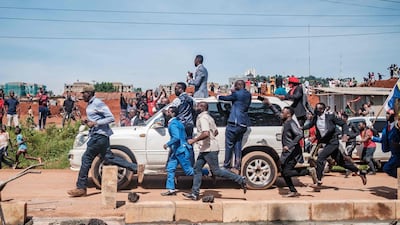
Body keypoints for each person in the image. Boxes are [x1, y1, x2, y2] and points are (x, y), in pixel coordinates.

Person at [67, 85, 140, 197]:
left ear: (89, 93)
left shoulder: (97, 103)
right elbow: (96, 119)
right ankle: (136, 168)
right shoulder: (91, 104)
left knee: (86, 158)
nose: (82, 96)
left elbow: (110, 118)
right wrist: (88, 121)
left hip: (99, 136)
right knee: (109, 157)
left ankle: (81, 187)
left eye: (84, 93)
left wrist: (95, 123)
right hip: (100, 135)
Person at [182, 102, 247, 200]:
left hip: (209, 149)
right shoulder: (209, 117)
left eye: (198, 105)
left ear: (202, 107)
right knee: (197, 169)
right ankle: (195, 193)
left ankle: (240, 179)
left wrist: (194, 140)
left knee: (216, 171)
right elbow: (215, 132)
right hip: (206, 148)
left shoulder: (203, 118)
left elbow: (206, 133)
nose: (196, 107)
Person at [303, 102, 367, 187]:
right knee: (341, 162)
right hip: (326, 142)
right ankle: (360, 172)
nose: (316, 110)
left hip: (333, 142)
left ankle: (318, 180)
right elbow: (310, 125)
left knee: (321, 158)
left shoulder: (330, 117)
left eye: (318, 108)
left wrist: (345, 135)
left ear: (322, 110)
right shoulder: (315, 118)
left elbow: (343, 124)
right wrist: (301, 128)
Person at [217, 80, 251, 173]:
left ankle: (227, 165)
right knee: (238, 144)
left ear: (238, 86)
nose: (233, 87)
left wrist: (218, 96)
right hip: (243, 123)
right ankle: (237, 165)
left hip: (234, 123)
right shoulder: (248, 94)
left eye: (235, 86)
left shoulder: (237, 94)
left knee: (229, 145)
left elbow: (226, 98)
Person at [161, 106, 194, 196]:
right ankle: (171, 189)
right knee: (170, 169)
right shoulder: (178, 122)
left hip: (180, 150)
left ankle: (207, 172)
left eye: (168, 112)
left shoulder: (173, 124)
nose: (166, 113)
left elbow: (176, 137)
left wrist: (167, 144)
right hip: (177, 150)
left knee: (189, 171)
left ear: (172, 113)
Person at [171, 82, 196, 165]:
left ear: (181, 89)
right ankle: (191, 163)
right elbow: (194, 110)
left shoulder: (177, 100)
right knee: (189, 144)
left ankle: (175, 163)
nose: (175, 90)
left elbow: (172, 112)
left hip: (180, 125)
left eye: (176, 88)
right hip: (189, 124)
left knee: (177, 144)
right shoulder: (191, 99)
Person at [372, 112, 400, 178]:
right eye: (386, 113)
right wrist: (372, 138)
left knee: (387, 168)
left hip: (398, 154)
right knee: (388, 168)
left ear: (394, 116)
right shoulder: (386, 128)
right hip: (393, 154)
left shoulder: (397, 127)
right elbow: (383, 140)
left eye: (388, 113)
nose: (386, 115)